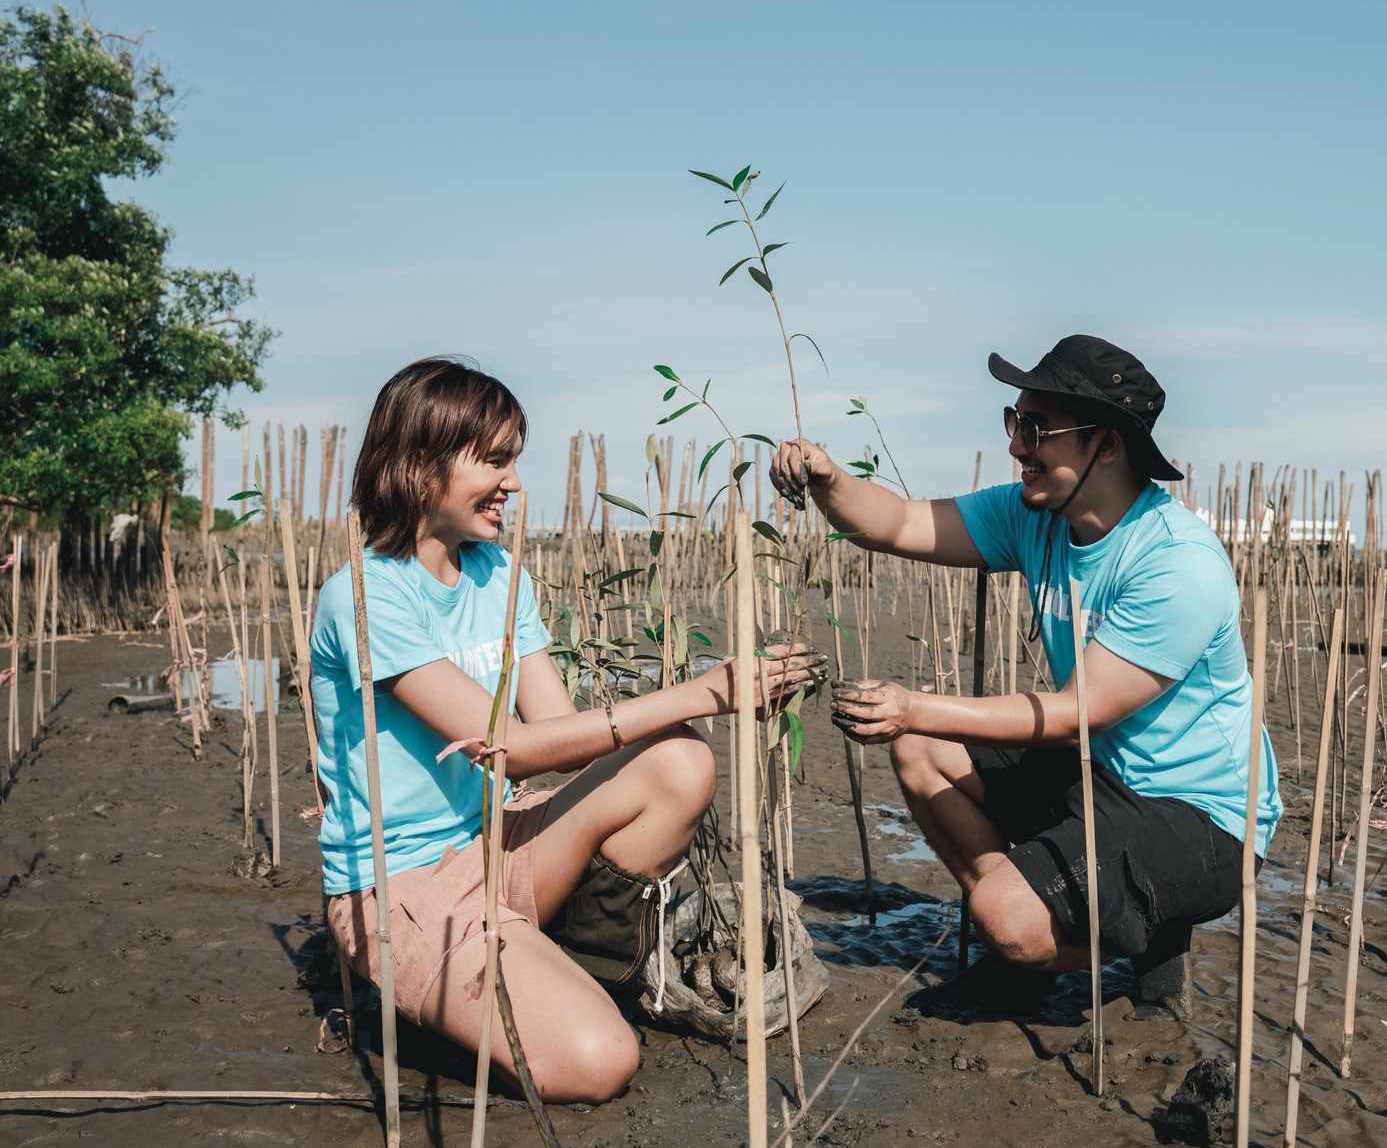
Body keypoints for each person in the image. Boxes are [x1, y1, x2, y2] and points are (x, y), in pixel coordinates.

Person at [311, 356, 820, 1104]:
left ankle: (547, 958)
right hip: (404, 888)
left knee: (677, 762)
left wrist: (696, 705)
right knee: (602, 1059)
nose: (514, 483)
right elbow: (508, 747)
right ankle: (441, 997)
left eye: (515, 460)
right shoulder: (364, 596)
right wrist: (707, 690)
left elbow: (557, 730)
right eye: (493, 460)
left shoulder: (496, 574)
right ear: (420, 465)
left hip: (497, 841)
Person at [769, 334, 1278, 1009]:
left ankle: (1139, 925)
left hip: (1203, 815)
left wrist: (910, 703)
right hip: (1099, 771)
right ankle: (1039, 937)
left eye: (1036, 427)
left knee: (1004, 912)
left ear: (1106, 443)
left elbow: (1076, 711)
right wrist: (829, 480)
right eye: (1014, 421)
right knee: (924, 754)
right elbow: (895, 522)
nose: (1016, 444)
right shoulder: (1034, 515)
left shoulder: (1178, 564)